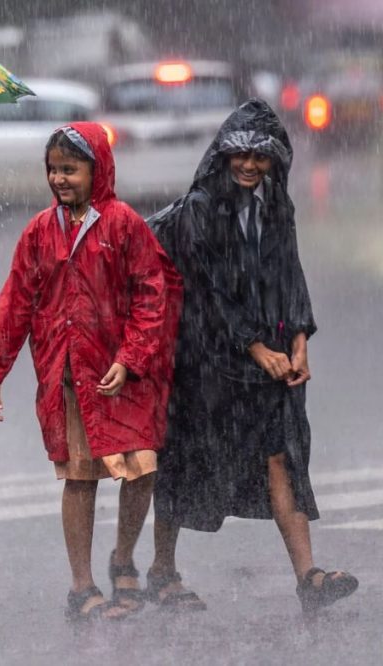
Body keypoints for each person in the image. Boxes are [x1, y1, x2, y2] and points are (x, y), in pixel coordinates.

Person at [146, 99, 358, 613]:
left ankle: (308, 577)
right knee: (185, 460)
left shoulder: (275, 204)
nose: (248, 165)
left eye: (260, 158)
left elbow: (290, 273)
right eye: (239, 154)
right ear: (222, 155)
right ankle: (161, 570)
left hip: (269, 357)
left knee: (281, 455)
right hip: (207, 361)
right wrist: (256, 347)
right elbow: (210, 289)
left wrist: (300, 339)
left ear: (274, 162)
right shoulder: (200, 208)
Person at [0, 123, 181, 620]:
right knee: (80, 477)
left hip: (125, 375)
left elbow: (153, 295)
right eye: (54, 169)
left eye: (71, 168)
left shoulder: (124, 224)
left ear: (98, 169)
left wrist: (130, 359)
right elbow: (16, 301)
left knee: (141, 468)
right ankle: (82, 587)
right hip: (70, 377)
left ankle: (123, 557)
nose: (60, 179)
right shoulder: (40, 232)